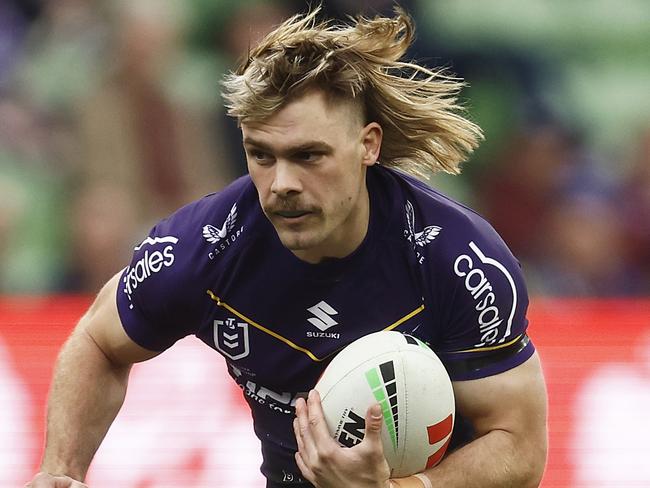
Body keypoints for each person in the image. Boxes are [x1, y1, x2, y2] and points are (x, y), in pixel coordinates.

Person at [26, 7, 547, 488]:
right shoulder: (205, 248)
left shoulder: (458, 259)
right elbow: (98, 341)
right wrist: (59, 472)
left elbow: (519, 446)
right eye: (262, 155)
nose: (281, 184)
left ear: (368, 145)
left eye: (308, 155)